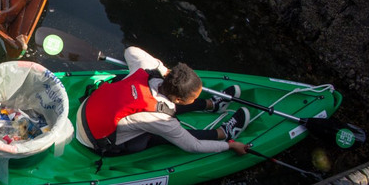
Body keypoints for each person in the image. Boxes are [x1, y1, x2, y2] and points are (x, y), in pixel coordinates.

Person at [76, 46, 252, 159]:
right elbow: (193, 146)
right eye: (193, 98)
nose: (194, 98)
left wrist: (163, 70)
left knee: (161, 106)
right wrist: (229, 146)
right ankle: (224, 134)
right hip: (96, 141)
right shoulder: (161, 120)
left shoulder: (146, 70)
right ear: (179, 99)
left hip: (85, 110)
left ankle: (213, 105)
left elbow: (131, 51)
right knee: (163, 133)